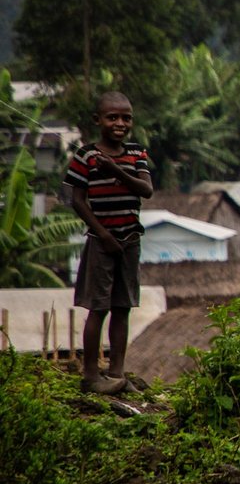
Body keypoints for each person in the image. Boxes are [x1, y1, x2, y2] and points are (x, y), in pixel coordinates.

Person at [65, 91, 153, 394]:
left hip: (130, 240)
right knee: (98, 308)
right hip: (101, 242)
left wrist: (115, 170)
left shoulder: (136, 153)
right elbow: (77, 200)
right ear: (97, 120)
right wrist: (103, 234)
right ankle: (91, 375)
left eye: (126, 118)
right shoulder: (85, 156)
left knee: (123, 306)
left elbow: (146, 189)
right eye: (112, 117)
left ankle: (116, 373)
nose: (120, 123)